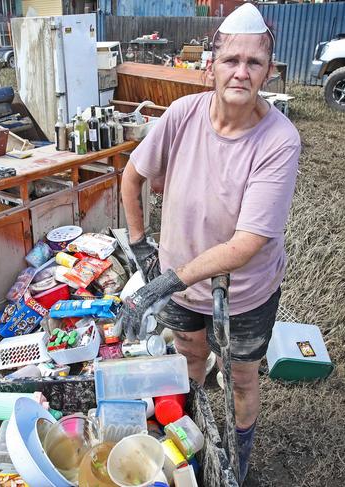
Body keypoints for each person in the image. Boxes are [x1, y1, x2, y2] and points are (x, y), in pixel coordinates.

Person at [119, 4, 301, 484]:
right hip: (178, 281)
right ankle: (193, 439)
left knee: (241, 376)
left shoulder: (279, 140)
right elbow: (132, 175)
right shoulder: (182, 114)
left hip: (244, 291)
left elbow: (247, 245)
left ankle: (238, 462)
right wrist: (141, 247)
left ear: (269, 71)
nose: (241, 72)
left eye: (254, 63)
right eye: (231, 60)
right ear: (211, 63)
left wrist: (166, 280)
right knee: (190, 356)